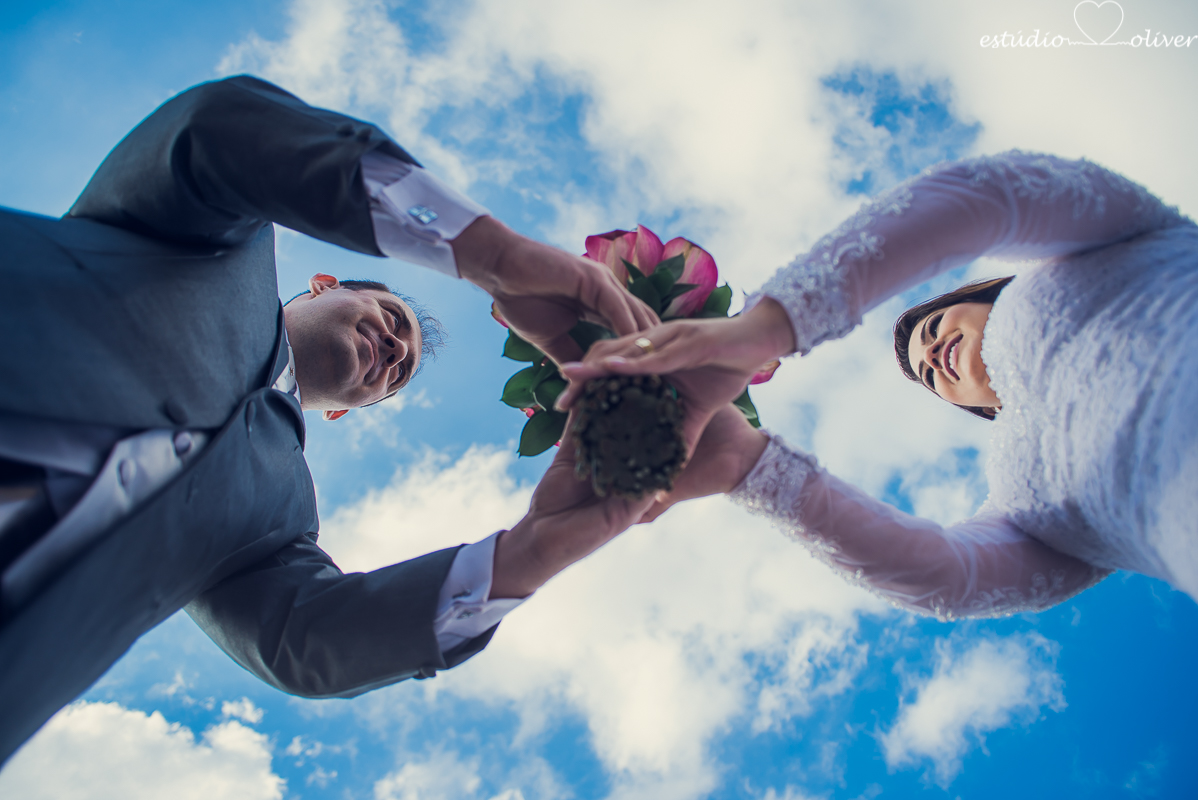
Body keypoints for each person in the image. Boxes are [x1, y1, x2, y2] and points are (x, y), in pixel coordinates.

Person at [0, 75, 657, 764]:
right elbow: (215, 128)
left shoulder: (278, 525)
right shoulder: (217, 237)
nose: (396, 350)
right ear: (324, 285)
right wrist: (492, 256)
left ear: (346, 409)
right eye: (394, 321)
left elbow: (307, 642)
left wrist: (538, 547)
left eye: (396, 374)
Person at [559, 150, 1198, 617]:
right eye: (925, 373)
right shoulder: (1021, 496)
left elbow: (989, 197)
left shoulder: (1116, 240)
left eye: (934, 326)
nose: (929, 355)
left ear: (987, 291)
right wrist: (751, 469)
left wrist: (770, 326)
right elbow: (951, 579)